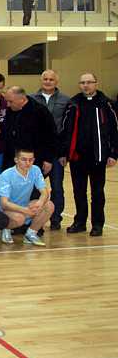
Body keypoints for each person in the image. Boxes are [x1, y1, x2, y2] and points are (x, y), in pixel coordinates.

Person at [59, 72, 118, 237]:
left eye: (89, 82)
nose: (86, 85)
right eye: (83, 82)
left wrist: (113, 153)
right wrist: (64, 153)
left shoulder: (107, 104)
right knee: (79, 191)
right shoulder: (73, 104)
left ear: (96, 84)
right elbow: (65, 130)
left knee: (97, 192)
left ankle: (97, 224)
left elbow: (115, 131)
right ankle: (80, 222)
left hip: (98, 156)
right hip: (77, 157)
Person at [30, 70, 70, 230]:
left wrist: (64, 153)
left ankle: (56, 219)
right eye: (45, 79)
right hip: (37, 153)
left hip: (57, 153)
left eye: (51, 79)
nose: (48, 81)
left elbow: (68, 128)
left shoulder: (66, 100)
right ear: (41, 80)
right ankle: (35, 220)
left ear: (56, 81)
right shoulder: (31, 99)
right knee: (34, 188)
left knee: (57, 187)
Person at [0, 148, 53, 246]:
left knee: (49, 205)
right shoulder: (6, 175)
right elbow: (4, 204)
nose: (28, 163)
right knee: (19, 218)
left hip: (23, 206)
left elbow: (44, 192)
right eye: (24, 159)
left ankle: (31, 233)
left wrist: (40, 202)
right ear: (16, 160)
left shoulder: (35, 170)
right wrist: (25, 210)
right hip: (5, 210)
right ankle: (6, 229)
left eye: (30, 160)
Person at [0, 86, 57, 175]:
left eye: (10, 101)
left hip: (33, 160)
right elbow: (7, 131)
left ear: (22, 99)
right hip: (11, 160)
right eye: (6, 101)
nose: (8, 104)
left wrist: (48, 159)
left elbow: (51, 136)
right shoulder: (10, 110)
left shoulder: (40, 111)